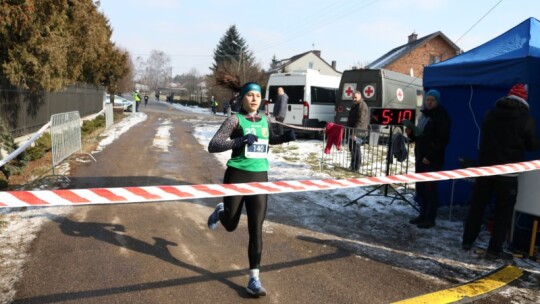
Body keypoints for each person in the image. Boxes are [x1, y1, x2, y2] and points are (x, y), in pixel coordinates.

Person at [207, 82, 296, 297]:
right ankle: (222, 211)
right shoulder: (235, 119)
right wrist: (239, 140)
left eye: (257, 95)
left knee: (256, 228)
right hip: (237, 175)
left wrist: (284, 138)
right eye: (250, 95)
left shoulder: (266, 119)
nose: (254, 99)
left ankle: (254, 278)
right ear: (243, 99)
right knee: (231, 224)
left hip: (259, 177)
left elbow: (269, 139)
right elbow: (214, 144)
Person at [462, 84, 538, 260]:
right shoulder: (526, 120)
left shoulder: (490, 114)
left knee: (477, 206)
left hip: (486, 169)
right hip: (508, 174)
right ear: (524, 100)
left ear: (508, 97)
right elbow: (531, 145)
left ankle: (467, 240)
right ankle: (494, 249)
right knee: (503, 211)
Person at [405, 89, 451, 229]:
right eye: (428, 100)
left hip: (432, 160)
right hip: (420, 156)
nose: (429, 102)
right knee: (421, 188)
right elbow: (420, 137)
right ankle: (422, 215)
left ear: (437, 101)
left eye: (432, 100)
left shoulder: (442, 117)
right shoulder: (423, 116)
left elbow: (441, 140)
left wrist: (429, 157)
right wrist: (411, 134)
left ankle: (430, 218)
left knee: (430, 189)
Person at [346, 91, 368, 171]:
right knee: (352, 148)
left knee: (356, 148)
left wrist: (354, 133)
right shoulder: (355, 105)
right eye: (353, 97)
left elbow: (360, 120)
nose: (354, 99)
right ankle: (352, 165)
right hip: (353, 130)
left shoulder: (361, 105)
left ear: (360, 97)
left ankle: (356, 166)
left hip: (359, 132)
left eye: (355, 97)